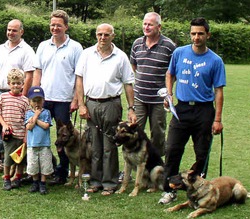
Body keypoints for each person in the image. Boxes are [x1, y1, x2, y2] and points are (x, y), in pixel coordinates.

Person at [158, 17, 226, 204]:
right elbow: (170, 73)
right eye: (193, 33)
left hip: (204, 111)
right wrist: (169, 95)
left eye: (200, 34)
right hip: (182, 109)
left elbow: (219, 91)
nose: (196, 37)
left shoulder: (215, 60)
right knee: (172, 149)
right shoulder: (179, 53)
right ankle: (169, 190)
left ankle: (199, 190)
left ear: (207, 35)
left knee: (202, 152)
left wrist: (217, 119)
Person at [75, 23, 136, 196]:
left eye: (106, 35)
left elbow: (128, 84)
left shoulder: (121, 57)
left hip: (111, 104)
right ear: (96, 35)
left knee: (109, 145)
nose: (102, 38)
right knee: (94, 145)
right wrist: (81, 104)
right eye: (100, 34)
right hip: (91, 103)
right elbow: (79, 80)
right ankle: (95, 181)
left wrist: (131, 108)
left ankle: (109, 183)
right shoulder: (86, 54)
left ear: (113, 36)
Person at [32, 10, 83, 185]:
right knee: (40, 135)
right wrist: (35, 95)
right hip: (45, 99)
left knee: (63, 137)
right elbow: (38, 71)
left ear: (66, 27)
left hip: (64, 99)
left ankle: (63, 173)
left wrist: (76, 99)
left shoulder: (75, 47)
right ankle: (42, 170)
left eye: (58, 25)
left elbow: (79, 76)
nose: (55, 28)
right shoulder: (43, 46)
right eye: (52, 25)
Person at [0, 19, 36, 174]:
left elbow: (29, 75)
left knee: (15, 130)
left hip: (17, 95)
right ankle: (1, 159)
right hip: (1, 93)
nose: (10, 33)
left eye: (14, 30)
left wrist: (23, 95)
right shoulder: (0, 48)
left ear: (21, 31)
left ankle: (16, 163)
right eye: (8, 30)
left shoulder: (27, 50)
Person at [130, 12, 176, 156]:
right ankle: (131, 167)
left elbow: (173, 72)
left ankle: (156, 167)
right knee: (134, 132)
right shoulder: (137, 43)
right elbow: (133, 66)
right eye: (144, 24)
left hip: (159, 100)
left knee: (158, 134)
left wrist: (168, 93)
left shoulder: (169, 46)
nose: (146, 27)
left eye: (150, 24)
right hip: (139, 98)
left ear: (159, 27)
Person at [0, 69, 30, 190]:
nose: (16, 85)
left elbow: (27, 119)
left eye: (18, 83)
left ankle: (18, 177)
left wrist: (26, 135)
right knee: (8, 157)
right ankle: (7, 178)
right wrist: (3, 124)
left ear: (22, 84)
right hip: (8, 134)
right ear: (9, 83)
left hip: (20, 134)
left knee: (19, 159)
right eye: (13, 83)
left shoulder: (25, 100)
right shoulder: (3, 97)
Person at [25, 86, 54, 195]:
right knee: (33, 164)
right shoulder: (28, 113)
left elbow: (46, 125)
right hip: (32, 145)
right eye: (34, 101)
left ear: (43, 101)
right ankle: (35, 181)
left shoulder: (46, 112)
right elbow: (29, 127)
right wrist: (35, 116)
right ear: (30, 101)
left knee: (45, 164)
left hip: (44, 144)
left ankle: (43, 182)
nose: (37, 103)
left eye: (39, 100)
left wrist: (36, 118)